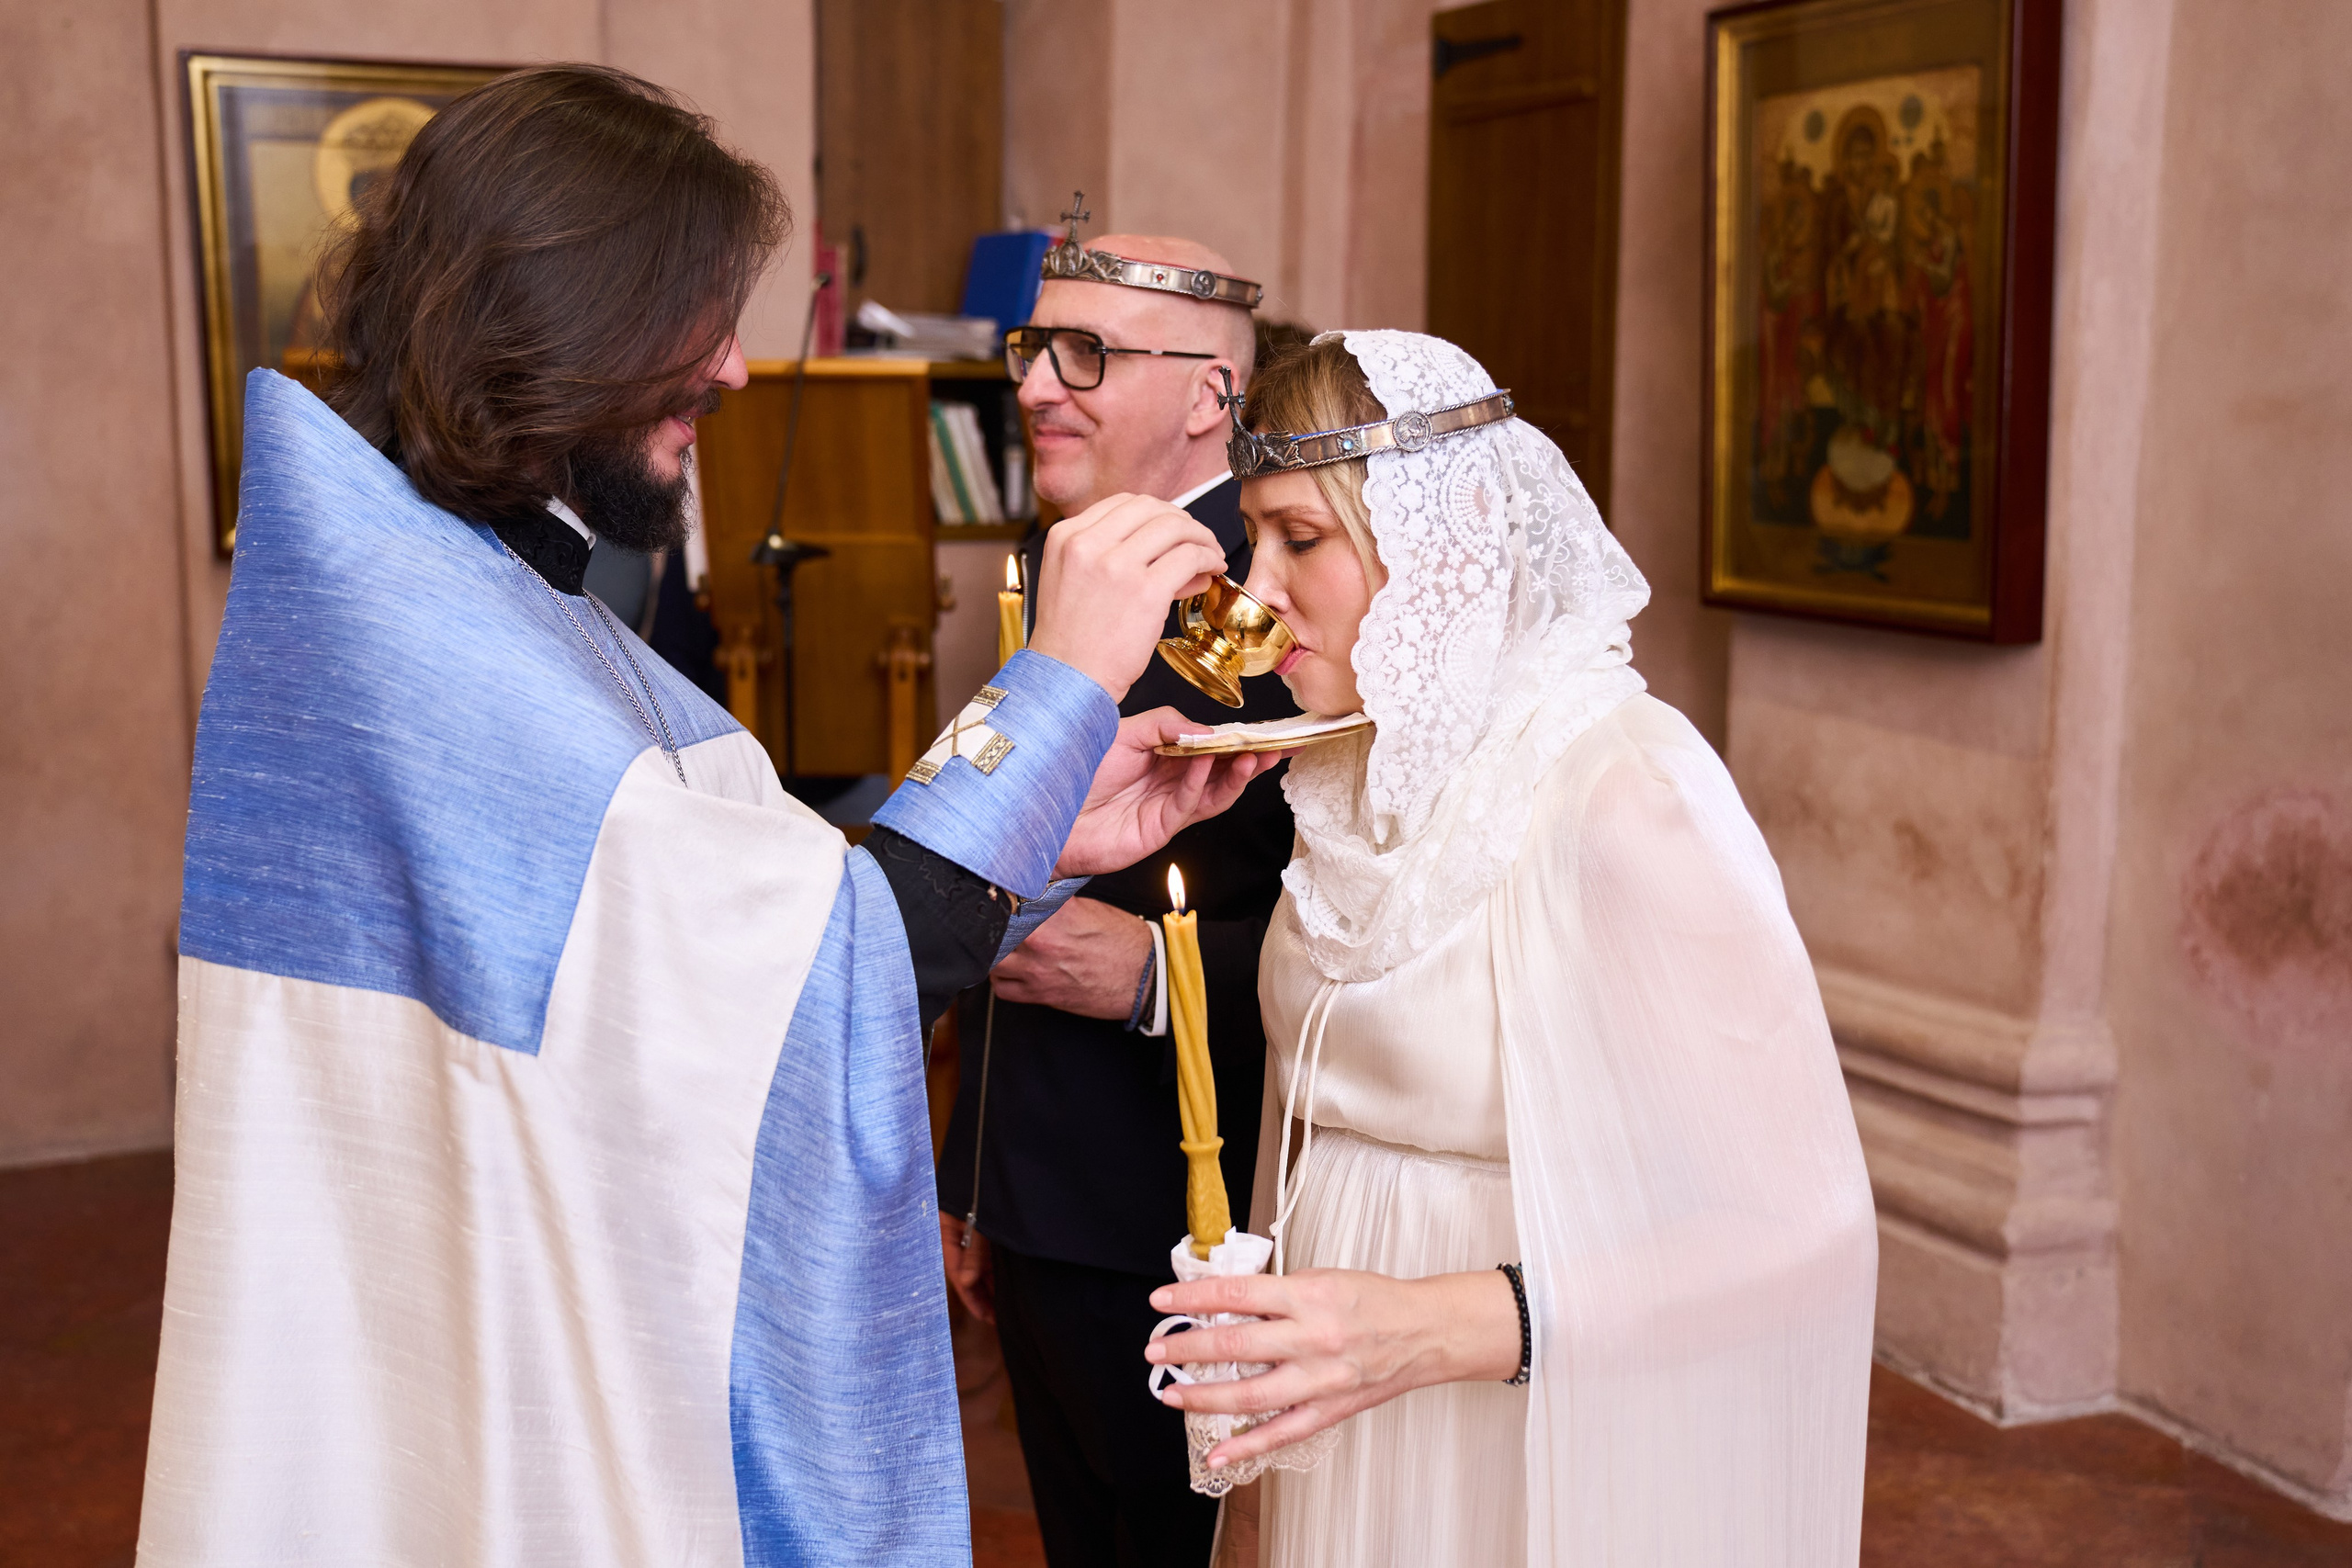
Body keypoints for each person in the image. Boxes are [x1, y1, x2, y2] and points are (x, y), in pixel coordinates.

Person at [141, 66, 1281, 1566]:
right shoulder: (428, 630)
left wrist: (1041, 832)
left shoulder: (429, 581)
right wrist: (1060, 690)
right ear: (579, 316)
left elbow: (706, 920)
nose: (735, 373)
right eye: (697, 317)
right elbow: (800, 973)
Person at [1145, 333, 1879, 1566]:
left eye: (1301, 540)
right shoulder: (1340, 772)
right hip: (1355, 1429)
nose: (1254, 598)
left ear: (1446, 535)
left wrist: (1426, 1331)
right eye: (1248, 543)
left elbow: (1798, 1227)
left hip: (1538, 1435)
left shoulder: (1626, 793)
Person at [933, 220, 1299, 1567]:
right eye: (1035, 348)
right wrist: (969, 1176)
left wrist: (1158, 979)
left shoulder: (1283, 604)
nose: (1034, 385)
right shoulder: (1061, 573)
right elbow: (987, 876)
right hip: (1030, 1192)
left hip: (1184, 1219)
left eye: (1085, 352)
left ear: (1210, 393)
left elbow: (1377, 933)